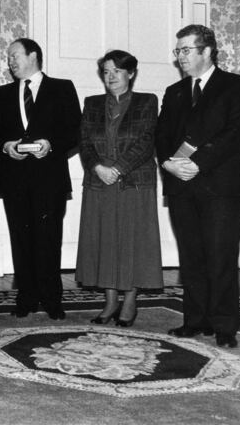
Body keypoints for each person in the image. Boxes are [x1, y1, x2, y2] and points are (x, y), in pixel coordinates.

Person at [156, 24, 240, 348]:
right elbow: (161, 137)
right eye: (178, 50)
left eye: (185, 50)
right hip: (182, 187)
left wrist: (197, 164)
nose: (180, 56)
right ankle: (194, 321)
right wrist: (168, 164)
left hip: (220, 187)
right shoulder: (175, 93)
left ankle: (225, 326)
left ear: (207, 51)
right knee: (192, 257)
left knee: (221, 256)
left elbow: (237, 133)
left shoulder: (236, 85)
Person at [0, 38, 81, 320]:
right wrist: (6, 146)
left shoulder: (62, 88)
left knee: (49, 239)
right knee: (20, 239)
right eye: (9, 57)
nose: (11, 62)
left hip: (49, 178)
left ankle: (52, 299)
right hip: (15, 179)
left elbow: (75, 129)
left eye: (15, 56)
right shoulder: (3, 93)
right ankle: (25, 298)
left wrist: (51, 145)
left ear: (34, 56)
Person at [75, 50, 162, 327]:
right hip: (99, 181)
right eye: (106, 72)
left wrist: (119, 168)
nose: (110, 77)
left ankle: (130, 301)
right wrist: (98, 168)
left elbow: (147, 141)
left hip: (133, 181)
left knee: (131, 241)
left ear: (131, 73)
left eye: (116, 71)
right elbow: (85, 141)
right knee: (105, 241)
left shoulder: (147, 102)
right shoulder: (91, 103)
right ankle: (110, 301)